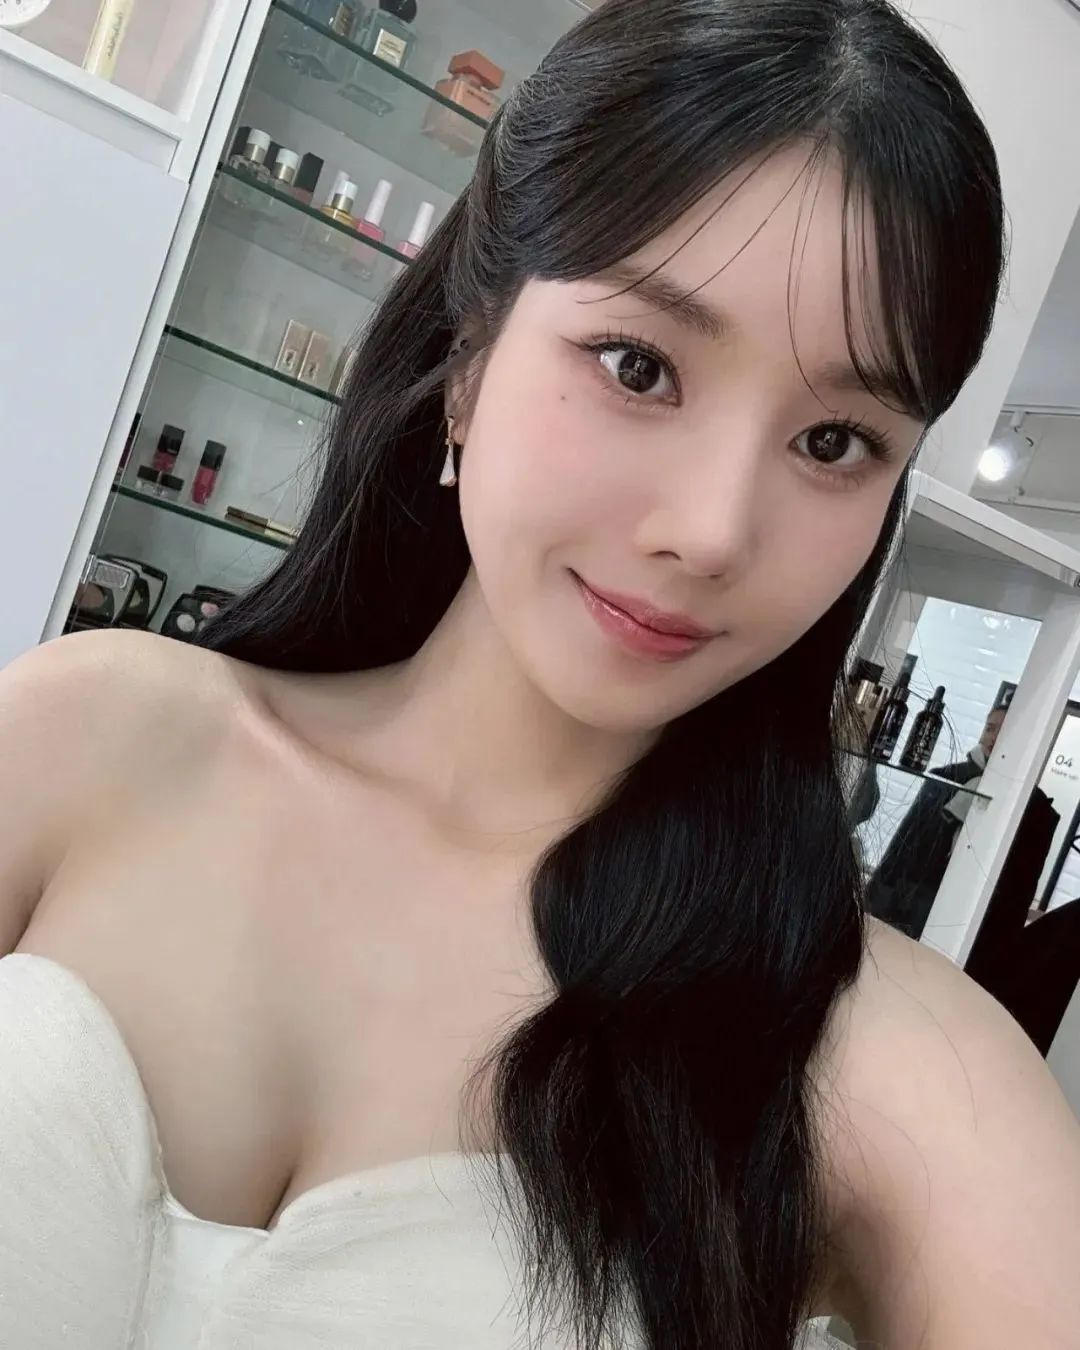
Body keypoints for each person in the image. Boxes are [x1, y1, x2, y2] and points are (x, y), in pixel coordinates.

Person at [2, 2, 1079, 1347]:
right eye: (640, 365)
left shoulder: (892, 1067)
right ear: (469, 363)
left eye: (833, 442)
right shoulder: (86, 739)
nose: (712, 531)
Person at [866, 695, 1034, 939]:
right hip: (916, 894)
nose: (994, 737)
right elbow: (908, 838)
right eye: (990, 728)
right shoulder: (946, 776)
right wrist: (879, 890)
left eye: (1004, 731)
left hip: (967, 908)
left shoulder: (1022, 799)